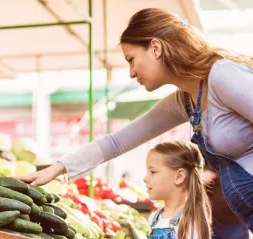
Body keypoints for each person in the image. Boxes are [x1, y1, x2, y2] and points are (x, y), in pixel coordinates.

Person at [18, 8, 253, 236]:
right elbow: (118, 142)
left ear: (155, 48)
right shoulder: (186, 101)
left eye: (131, 60)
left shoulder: (222, 76)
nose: (131, 72)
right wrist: (56, 170)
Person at [144, 140, 211, 239]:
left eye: (153, 172)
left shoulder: (189, 223)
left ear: (179, 176)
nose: (145, 178)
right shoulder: (153, 218)